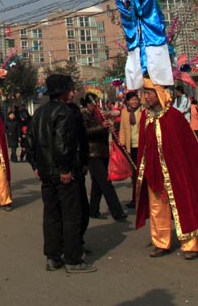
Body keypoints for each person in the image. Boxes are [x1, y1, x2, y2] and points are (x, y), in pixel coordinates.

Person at [26, 74, 95, 273]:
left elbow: (30, 141)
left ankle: (53, 256)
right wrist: (66, 169)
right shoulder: (64, 112)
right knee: (71, 215)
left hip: (46, 172)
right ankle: (73, 259)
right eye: (71, 89)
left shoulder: (39, 113)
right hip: (63, 172)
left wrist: (35, 165)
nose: (74, 92)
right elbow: (62, 144)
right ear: (63, 92)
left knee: (51, 215)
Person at [136, 77, 198, 260]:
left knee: (184, 204)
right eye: (144, 93)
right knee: (157, 209)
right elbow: (144, 146)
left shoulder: (174, 116)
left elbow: (187, 145)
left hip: (177, 171)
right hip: (154, 172)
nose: (146, 97)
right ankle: (160, 242)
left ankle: (191, 244)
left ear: (160, 94)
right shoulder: (145, 118)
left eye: (149, 93)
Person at [108, 0, 173, 89]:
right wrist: (128, 8)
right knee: (135, 61)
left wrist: (135, 4)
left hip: (149, 32)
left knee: (154, 58)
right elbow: (124, 13)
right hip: (135, 33)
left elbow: (150, 7)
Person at [80, 94, 127, 222]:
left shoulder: (96, 114)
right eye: (93, 102)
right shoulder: (83, 115)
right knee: (106, 183)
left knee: (97, 183)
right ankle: (117, 212)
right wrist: (102, 126)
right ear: (87, 104)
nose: (95, 105)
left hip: (102, 151)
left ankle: (93, 210)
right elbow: (85, 132)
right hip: (92, 153)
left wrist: (108, 126)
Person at [118, 90, 142, 208]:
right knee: (134, 175)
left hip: (142, 146)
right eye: (132, 100)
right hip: (130, 147)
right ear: (127, 102)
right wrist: (122, 144)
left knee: (142, 173)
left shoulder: (143, 111)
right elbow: (122, 129)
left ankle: (144, 199)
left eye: (136, 100)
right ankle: (135, 199)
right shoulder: (124, 113)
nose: (134, 102)